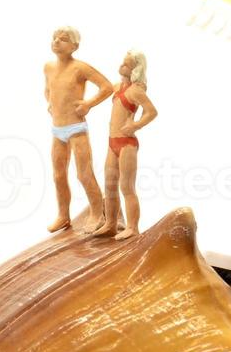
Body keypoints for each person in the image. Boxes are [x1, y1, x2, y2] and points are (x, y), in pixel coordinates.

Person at [44, 26, 115, 233]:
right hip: (57, 130)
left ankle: (97, 213)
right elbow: (48, 89)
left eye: (63, 39)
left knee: (84, 174)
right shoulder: (48, 67)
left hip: (76, 129)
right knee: (58, 175)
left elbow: (107, 87)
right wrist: (50, 103)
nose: (57, 41)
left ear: (74, 46)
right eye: (54, 37)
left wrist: (89, 104)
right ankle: (63, 215)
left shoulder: (80, 68)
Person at [91, 51, 158, 241]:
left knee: (126, 187)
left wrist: (135, 125)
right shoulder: (117, 86)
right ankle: (110, 224)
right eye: (123, 62)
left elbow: (152, 112)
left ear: (135, 69)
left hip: (127, 144)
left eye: (127, 65)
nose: (122, 66)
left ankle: (132, 227)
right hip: (112, 142)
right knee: (110, 185)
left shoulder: (135, 91)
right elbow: (103, 90)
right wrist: (84, 105)